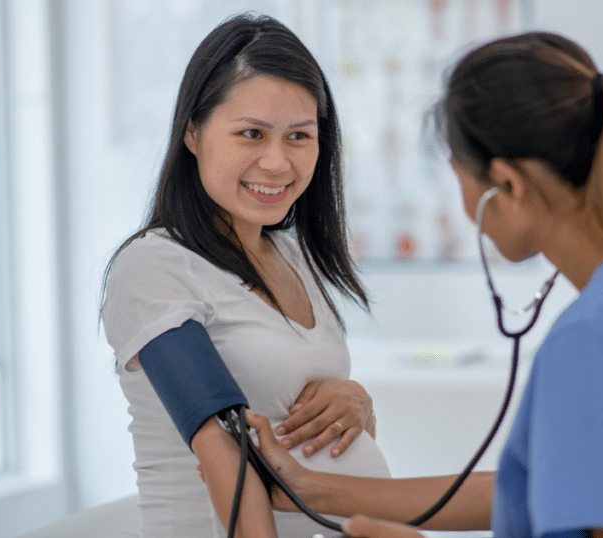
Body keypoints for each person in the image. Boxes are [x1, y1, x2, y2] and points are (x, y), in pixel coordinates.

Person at [241, 30, 603, 538]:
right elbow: (542, 491)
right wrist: (314, 490)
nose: (468, 208)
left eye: (461, 180)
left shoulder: (595, 340)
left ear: (508, 186)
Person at [100, 14, 391, 538]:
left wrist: (359, 407)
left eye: (299, 136)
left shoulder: (295, 256)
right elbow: (223, 455)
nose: (277, 162)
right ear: (193, 131)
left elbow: (298, 420)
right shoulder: (154, 266)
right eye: (251, 134)